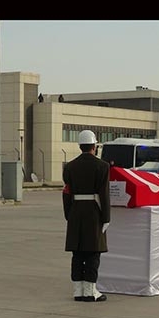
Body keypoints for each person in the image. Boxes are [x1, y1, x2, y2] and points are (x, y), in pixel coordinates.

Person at [62, 129, 110, 303]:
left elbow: (66, 193)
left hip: (75, 211)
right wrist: (106, 217)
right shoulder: (103, 166)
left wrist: (69, 214)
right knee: (93, 252)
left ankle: (78, 291)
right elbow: (104, 194)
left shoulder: (69, 167)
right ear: (94, 146)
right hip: (94, 212)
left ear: (80, 146)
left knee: (78, 253)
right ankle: (90, 291)